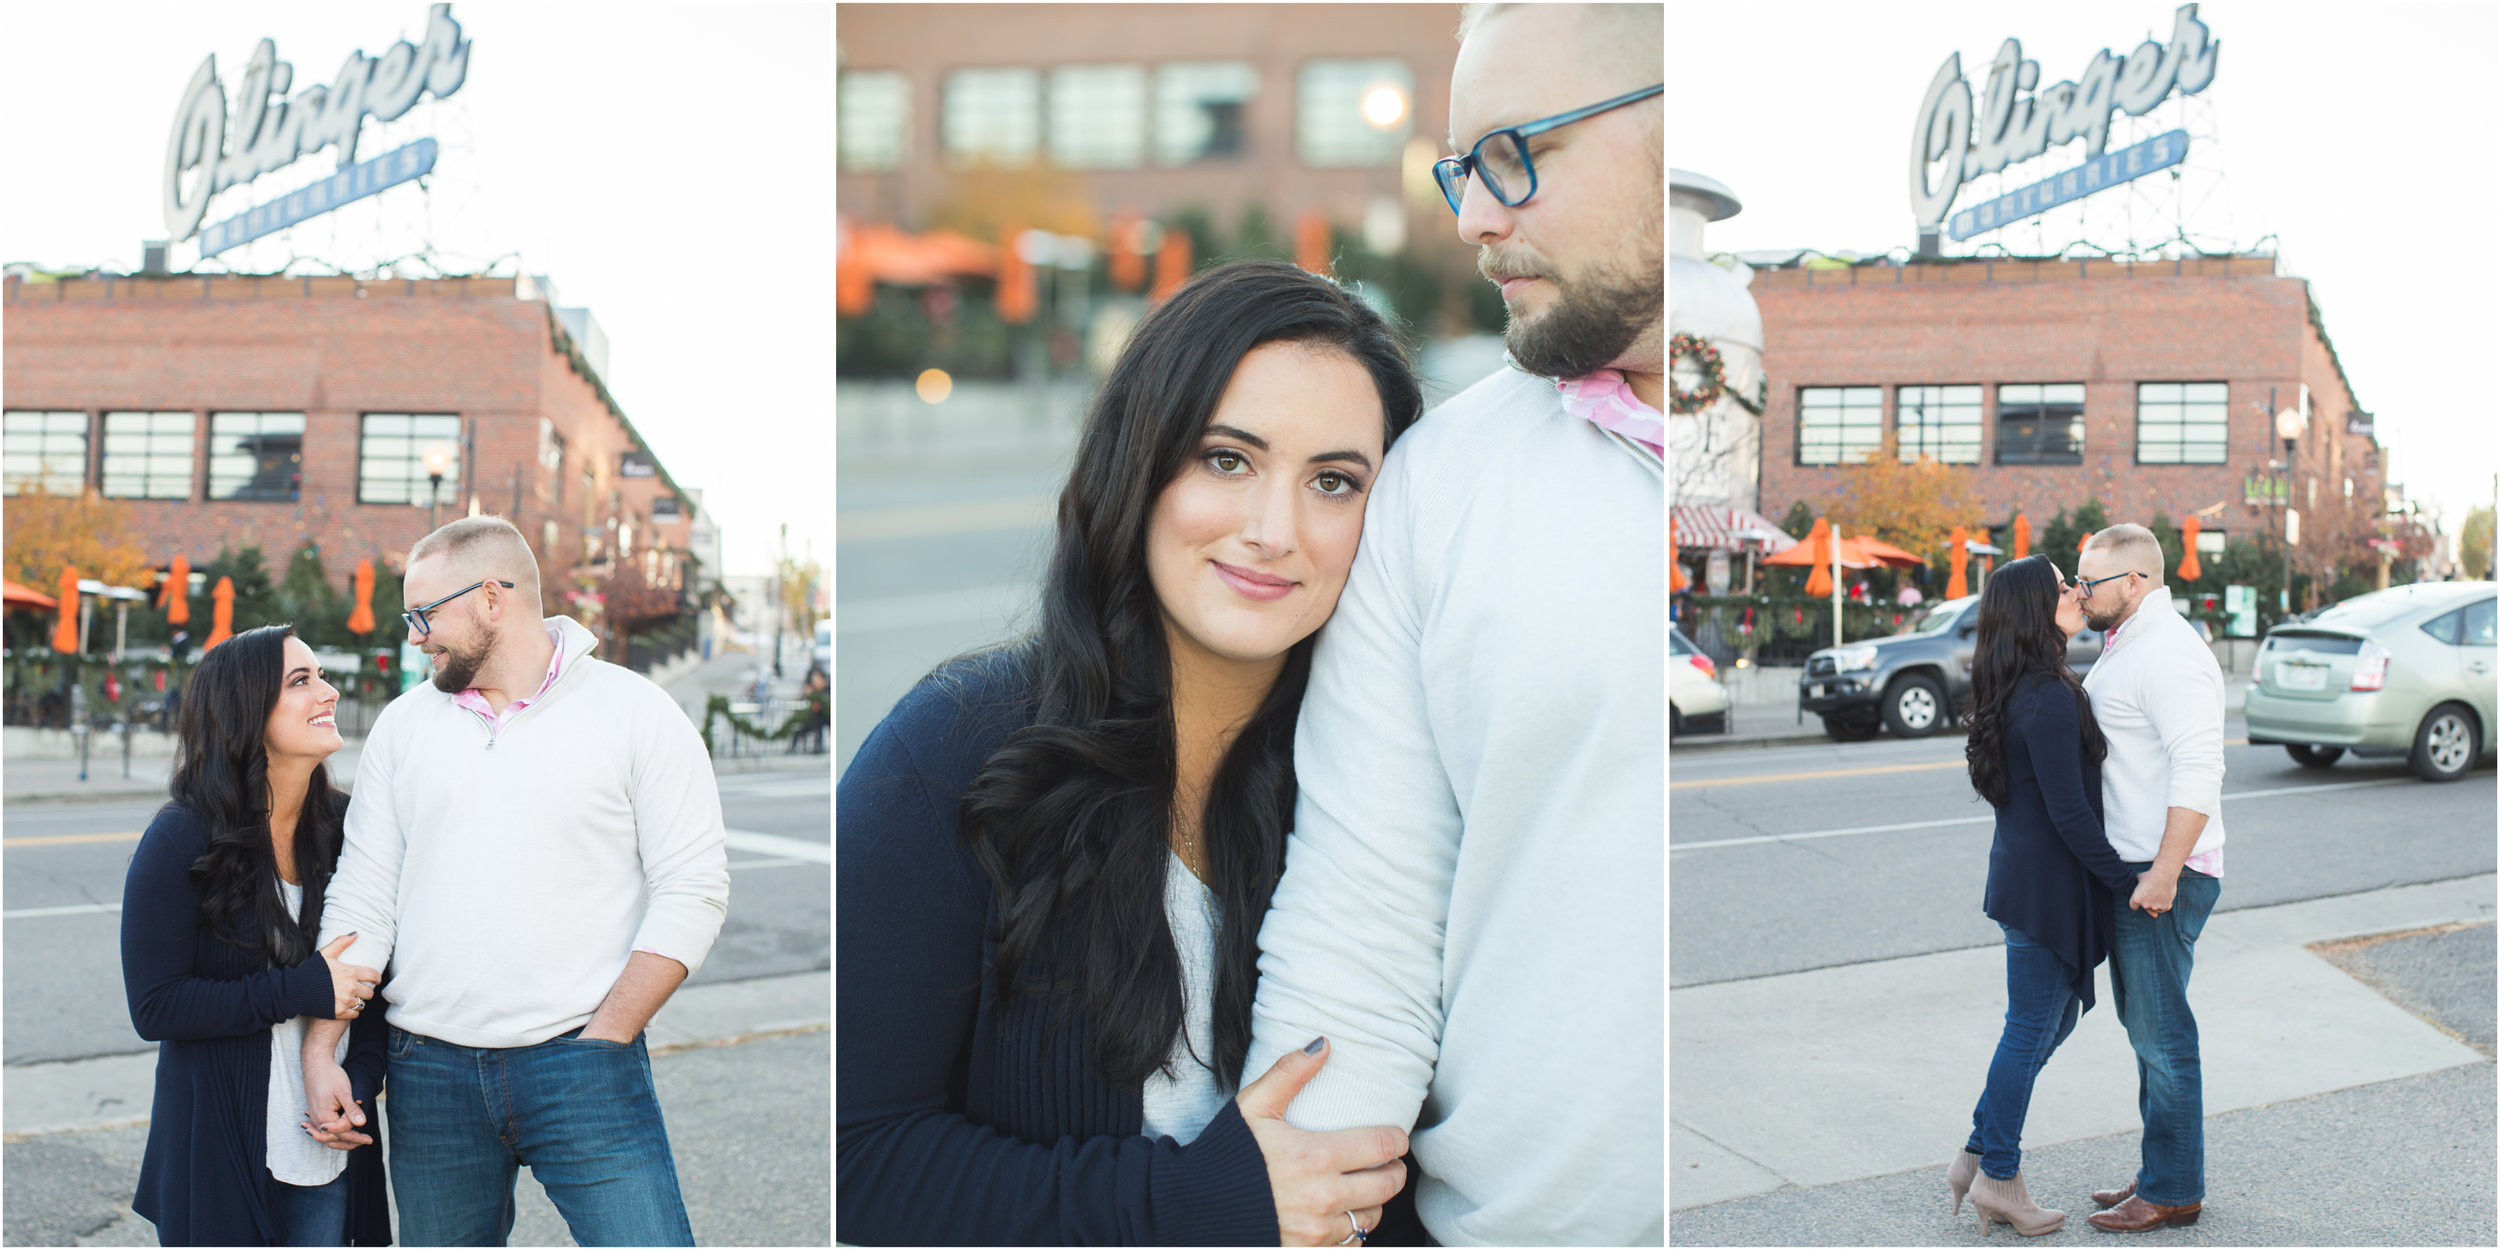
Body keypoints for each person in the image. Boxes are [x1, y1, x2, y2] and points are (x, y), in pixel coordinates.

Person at [836, 260, 1423, 1246]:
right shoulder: (951, 748)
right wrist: (1200, 1204)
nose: (1273, 530)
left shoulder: (1377, 782)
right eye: (1226, 459)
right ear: (1138, 464)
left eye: (1333, 481)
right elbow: (858, 1160)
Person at [1237, 4, 1667, 1242]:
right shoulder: (1438, 479)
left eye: (1514, 152)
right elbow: (1365, 911)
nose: (1475, 216)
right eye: (1460, 169)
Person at [300, 516, 731, 1246]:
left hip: (584, 1063)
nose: (414, 636)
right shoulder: (404, 729)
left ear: (492, 598)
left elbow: (693, 888)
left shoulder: (637, 714)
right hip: (427, 1071)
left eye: (424, 614)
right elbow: (364, 896)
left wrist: (607, 1037)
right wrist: (321, 1051)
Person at [121, 625, 391, 1245]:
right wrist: (301, 989)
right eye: (301, 681)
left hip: (328, 1148)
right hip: (219, 1148)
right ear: (245, 710)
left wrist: (361, 1083)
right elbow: (156, 1005)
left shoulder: (351, 826)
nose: (327, 692)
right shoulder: (183, 837)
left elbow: (374, 979)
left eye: (321, 675)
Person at [1946, 556, 2139, 1235]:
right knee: (2030, 1029)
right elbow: (2071, 814)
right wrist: (2129, 882)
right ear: (2035, 607)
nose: (2075, 592)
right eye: (2062, 586)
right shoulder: (2047, 696)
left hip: (2030, 881)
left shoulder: (2026, 685)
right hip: (2045, 889)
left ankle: (1976, 1154)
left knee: (2045, 1025)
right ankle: (2000, 1175)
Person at [2073, 523, 2226, 1233]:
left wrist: (2164, 872)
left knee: (2164, 1037)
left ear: (2135, 581)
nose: (2080, 592)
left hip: (2162, 877)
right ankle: (2162, 1170)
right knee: (2148, 1033)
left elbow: (2200, 768)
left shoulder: (2168, 652)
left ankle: (2172, 1189)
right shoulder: (2128, 641)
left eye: (2090, 582)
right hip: (2137, 873)